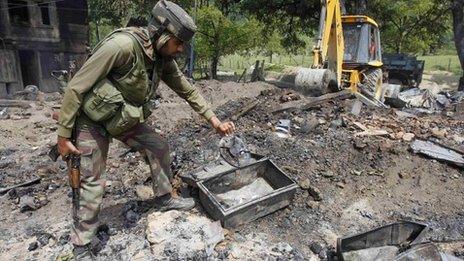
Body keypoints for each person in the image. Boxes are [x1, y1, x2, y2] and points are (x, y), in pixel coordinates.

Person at [56, 1, 235, 258]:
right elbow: (75, 87)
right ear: (161, 33)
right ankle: (82, 245)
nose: (181, 48)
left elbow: (187, 89)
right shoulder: (122, 47)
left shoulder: (162, 58)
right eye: (178, 41)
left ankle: (164, 197)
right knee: (92, 180)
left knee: (158, 147)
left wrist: (214, 120)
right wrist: (63, 135)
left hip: (122, 118)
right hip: (91, 121)